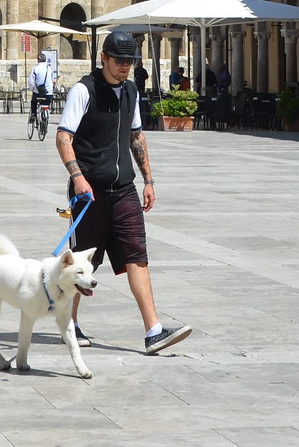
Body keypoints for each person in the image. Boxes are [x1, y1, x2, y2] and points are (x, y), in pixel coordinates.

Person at [56, 29, 192, 355]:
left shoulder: (130, 90)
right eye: (120, 60)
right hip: (89, 193)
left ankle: (153, 331)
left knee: (137, 256)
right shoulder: (83, 91)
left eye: (130, 60)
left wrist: (148, 180)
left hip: (124, 190)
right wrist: (78, 178)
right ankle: (70, 323)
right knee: (83, 264)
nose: (125, 66)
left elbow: (136, 137)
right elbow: (63, 137)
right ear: (104, 58)